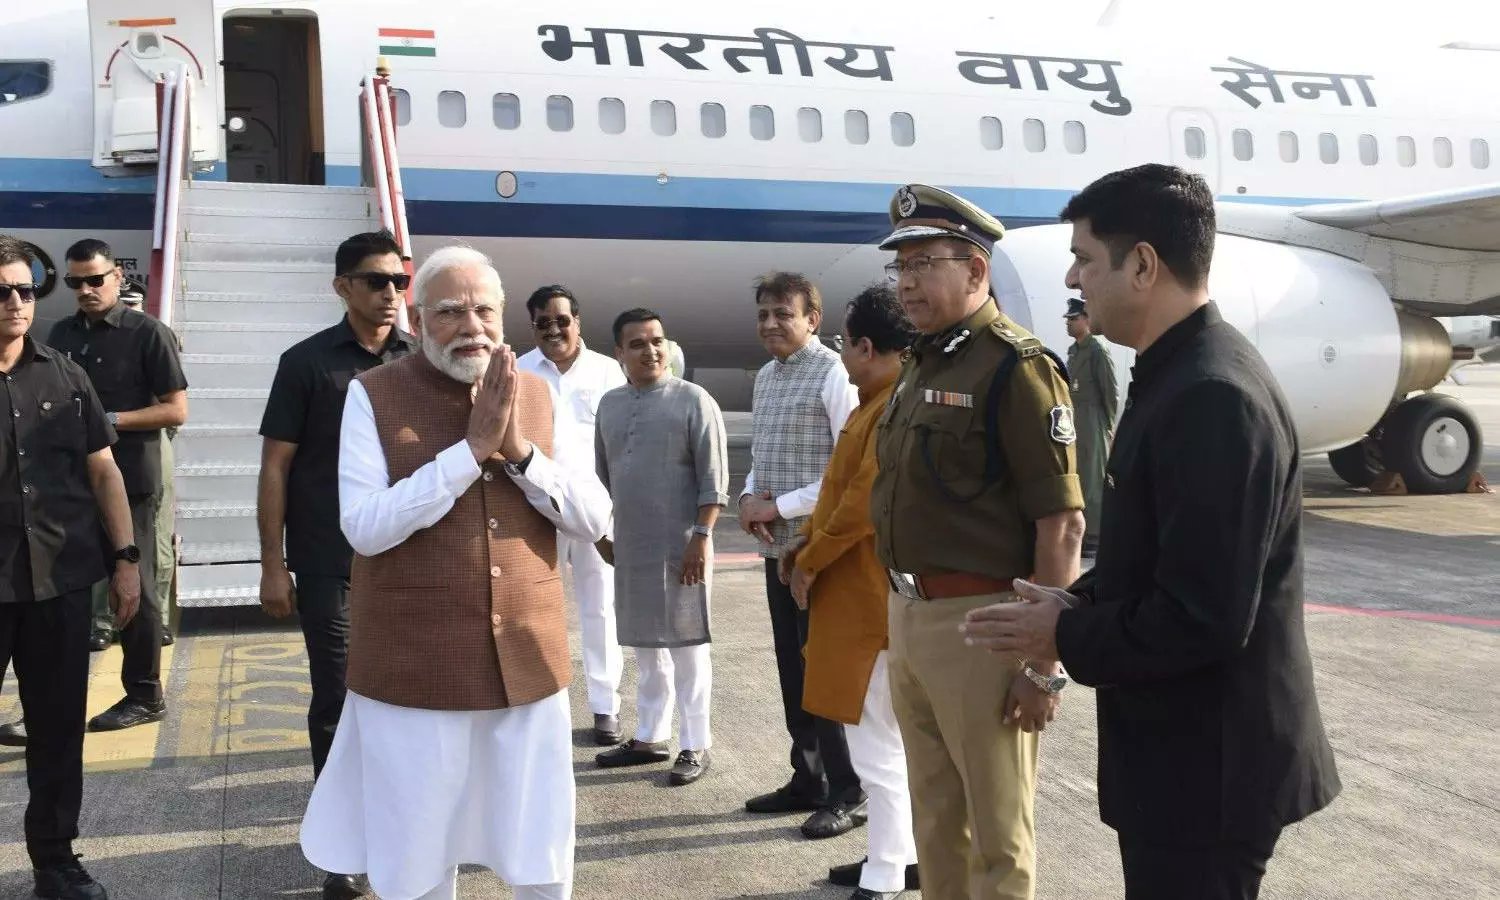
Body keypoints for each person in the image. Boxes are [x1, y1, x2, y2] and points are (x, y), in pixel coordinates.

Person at [962, 164, 1342, 900]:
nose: (1074, 278)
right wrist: (1070, 604)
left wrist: (1062, 638)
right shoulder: (1176, 373)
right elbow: (1156, 560)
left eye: (1084, 258)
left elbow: (1202, 616)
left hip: (1210, 772)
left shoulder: (1212, 396)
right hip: (1185, 762)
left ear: (1143, 265)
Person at [298, 246, 609, 900]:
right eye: (450, 312)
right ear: (418, 317)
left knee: (539, 843)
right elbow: (365, 526)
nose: (473, 325)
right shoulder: (372, 395)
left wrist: (517, 450)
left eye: (485, 309)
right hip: (414, 671)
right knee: (416, 850)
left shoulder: (539, 395)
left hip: (528, 661)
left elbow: (594, 516)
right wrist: (469, 452)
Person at [871, 184, 1085, 900]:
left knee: (998, 835)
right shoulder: (923, 362)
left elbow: (1061, 525)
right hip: (911, 620)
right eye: (899, 266)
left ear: (975, 270)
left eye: (924, 263)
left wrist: (1042, 662)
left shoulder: (1015, 367)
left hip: (987, 627)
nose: (905, 282)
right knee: (935, 826)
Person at [257, 231, 416, 900]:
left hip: (411, 564)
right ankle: (342, 848)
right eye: (375, 281)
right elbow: (276, 467)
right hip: (331, 563)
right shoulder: (306, 364)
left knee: (411, 702)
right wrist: (273, 564)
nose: (389, 294)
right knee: (339, 702)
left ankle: (408, 831)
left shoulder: (421, 362)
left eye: (399, 282)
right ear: (342, 287)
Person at [0, 234, 142, 900]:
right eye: (2, 293)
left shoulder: (64, 374)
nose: (16, 304)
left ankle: (55, 862)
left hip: (58, 582)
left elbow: (103, 470)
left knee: (56, 731)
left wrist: (127, 561)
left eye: (25, 290)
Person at [780, 286, 921, 900]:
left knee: (877, 747)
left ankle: (888, 872)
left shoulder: (893, 408)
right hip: (858, 598)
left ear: (866, 347)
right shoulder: (874, 403)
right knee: (883, 742)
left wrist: (808, 556)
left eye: (843, 343)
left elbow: (861, 505)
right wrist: (804, 543)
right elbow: (837, 493)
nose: (842, 355)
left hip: (870, 602)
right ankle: (898, 855)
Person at [738, 272, 864, 840]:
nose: (771, 324)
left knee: (825, 667)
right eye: (764, 313)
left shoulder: (833, 374)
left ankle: (848, 788)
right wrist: (747, 496)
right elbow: (762, 454)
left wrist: (779, 505)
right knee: (793, 665)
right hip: (778, 551)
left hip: (822, 551)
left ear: (813, 319)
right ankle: (807, 778)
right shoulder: (765, 377)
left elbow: (849, 467)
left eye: (783, 313)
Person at [45, 239, 188, 734]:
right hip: (69, 484)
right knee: (60, 592)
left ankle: (145, 696)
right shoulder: (60, 334)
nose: (85, 290)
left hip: (132, 482)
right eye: (74, 282)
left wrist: (108, 419)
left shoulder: (149, 334)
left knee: (138, 591)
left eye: (95, 279)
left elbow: (176, 410)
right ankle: (46, 702)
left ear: (117, 278)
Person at [592, 308, 728, 785]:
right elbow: (605, 478)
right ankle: (651, 736)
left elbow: (715, 481)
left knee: (689, 650)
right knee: (646, 649)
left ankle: (696, 744)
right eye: (638, 343)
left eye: (658, 340)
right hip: (633, 546)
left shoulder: (694, 400)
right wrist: (606, 537)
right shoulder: (609, 405)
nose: (651, 350)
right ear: (619, 353)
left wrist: (702, 537)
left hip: (683, 547)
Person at [517, 284, 628, 746]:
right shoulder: (520, 371)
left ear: (577, 322)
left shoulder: (607, 372)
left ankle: (605, 707)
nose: (554, 329)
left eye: (562, 320)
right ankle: (535, 706)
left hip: (595, 509)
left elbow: (624, 443)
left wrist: (615, 513)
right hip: (534, 506)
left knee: (599, 608)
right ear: (533, 327)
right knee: (530, 608)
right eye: (543, 322)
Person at [1063, 298, 1118, 555]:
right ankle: (1083, 532)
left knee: (1094, 477)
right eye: (1068, 320)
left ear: (1086, 319)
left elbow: (1109, 391)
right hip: (1075, 419)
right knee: (1079, 474)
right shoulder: (1075, 351)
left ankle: (1095, 536)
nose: (1069, 324)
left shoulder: (1097, 350)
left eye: (1073, 319)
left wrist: (1107, 424)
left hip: (1093, 418)